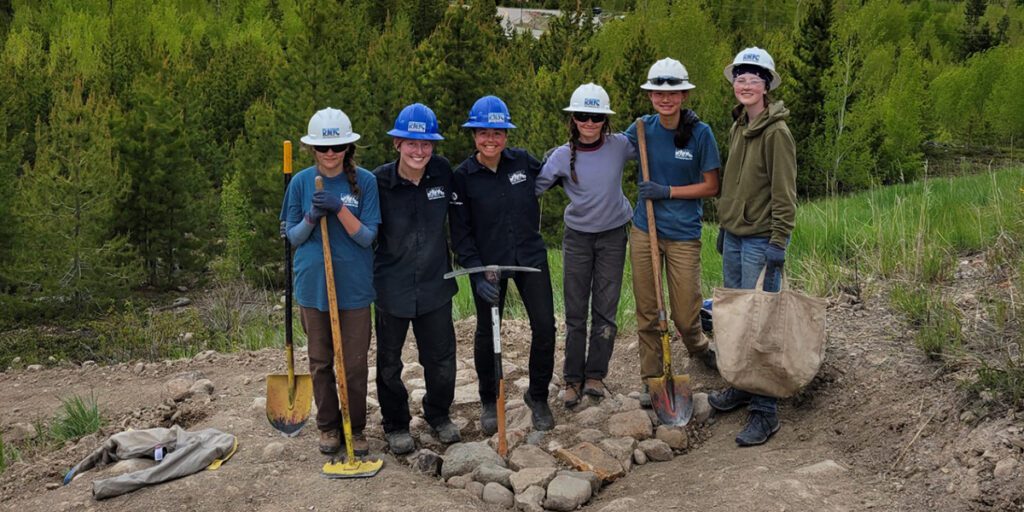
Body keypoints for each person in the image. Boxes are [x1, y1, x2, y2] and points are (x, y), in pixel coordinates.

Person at [449, 95, 556, 432]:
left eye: (497, 133)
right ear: (474, 136)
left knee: (545, 327)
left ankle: (537, 396)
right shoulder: (462, 177)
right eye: (483, 133)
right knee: (487, 330)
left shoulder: (523, 162)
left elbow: (557, 173)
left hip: (530, 257)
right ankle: (488, 399)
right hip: (488, 264)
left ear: (506, 135)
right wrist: (477, 273)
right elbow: (460, 234)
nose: (490, 140)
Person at [709, 47, 797, 447]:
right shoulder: (739, 125)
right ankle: (742, 386)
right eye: (739, 78)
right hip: (736, 235)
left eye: (753, 78)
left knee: (761, 321)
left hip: (762, 240)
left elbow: (785, 196)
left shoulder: (777, 133)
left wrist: (779, 242)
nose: (745, 85)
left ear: (766, 85)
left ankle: (765, 411)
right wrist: (726, 224)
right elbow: (733, 182)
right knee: (736, 319)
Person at [280, 107, 380, 456]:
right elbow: (292, 236)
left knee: (353, 363)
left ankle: (355, 425)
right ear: (313, 150)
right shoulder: (301, 183)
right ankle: (328, 427)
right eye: (323, 148)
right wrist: (311, 216)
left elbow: (367, 237)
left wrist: (339, 209)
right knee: (320, 360)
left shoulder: (364, 182)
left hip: (353, 287)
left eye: (337, 147)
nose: (330, 154)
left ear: (348, 147)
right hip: (313, 287)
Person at [625, 58, 721, 407]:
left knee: (683, 313)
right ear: (650, 95)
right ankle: (652, 379)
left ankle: (698, 346)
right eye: (658, 93)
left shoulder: (701, 133)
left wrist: (667, 191)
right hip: (644, 231)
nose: (665, 99)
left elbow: (711, 186)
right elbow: (605, 152)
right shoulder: (640, 129)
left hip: (683, 233)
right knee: (648, 311)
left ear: (683, 95)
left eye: (673, 93)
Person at [536, 83, 634, 409]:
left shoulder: (620, 146)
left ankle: (595, 374)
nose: (589, 123)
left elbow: (653, 145)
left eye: (596, 116)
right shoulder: (562, 157)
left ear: (605, 119)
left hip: (613, 236)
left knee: (605, 309)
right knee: (576, 312)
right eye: (582, 116)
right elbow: (533, 188)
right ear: (573, 119)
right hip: (577, 238)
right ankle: (572, 379)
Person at [372, 103, 461, 455]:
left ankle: (438, 415)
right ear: (397, 143)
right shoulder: (377, 181)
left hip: (435, 284)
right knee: (389, 363)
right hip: (390, 286)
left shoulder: (442, 173)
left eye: (426, 144)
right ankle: (395, 424)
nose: (419, 151)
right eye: (411, 143)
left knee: (441, 360)